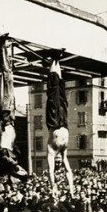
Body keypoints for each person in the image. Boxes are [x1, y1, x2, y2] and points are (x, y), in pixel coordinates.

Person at [0, 35, 28, 182]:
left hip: (6, 112)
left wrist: (17, 170)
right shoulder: (12, 155)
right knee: (6, 76)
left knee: (8, 75)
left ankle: (0, 48)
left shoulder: (7, 158)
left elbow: (7, 158)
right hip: (7, 114)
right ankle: (2, 49)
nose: (22, 169)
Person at [45, 57, 74, 198]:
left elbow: (51, 171)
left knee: (52, 92)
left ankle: (53, 62)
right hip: (64, 122)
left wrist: (53, 187)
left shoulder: (51, 152)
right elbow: (68, 171)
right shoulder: (63, 154)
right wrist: (72, 189)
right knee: (61, 91)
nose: (57, 162)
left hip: (53, 122)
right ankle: (57, 62)